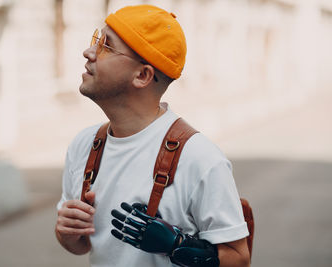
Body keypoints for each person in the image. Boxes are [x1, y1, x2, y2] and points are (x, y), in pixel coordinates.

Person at [55, 4, 250, 267]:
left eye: (106, 46)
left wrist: (178, 245)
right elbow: (81, 245)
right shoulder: (85, 145)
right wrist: (67, 233)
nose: (88, 52)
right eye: (96, 40)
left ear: (143, 75)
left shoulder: (199, 158)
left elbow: (239, 259)